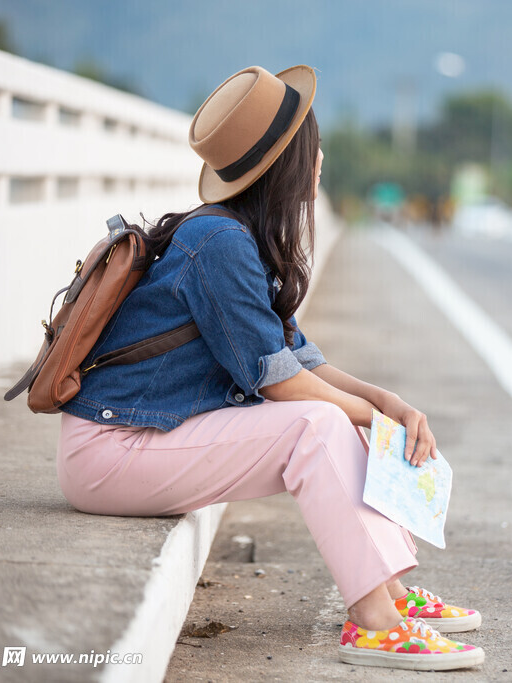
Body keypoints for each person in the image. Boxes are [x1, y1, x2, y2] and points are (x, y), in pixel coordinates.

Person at [55, 65, 484, 671]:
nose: (322, 157)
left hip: (143, 439)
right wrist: (378, 419)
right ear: (287, 164)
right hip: (110, 451)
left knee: (340, 417)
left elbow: (301, 359)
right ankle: (375, 623)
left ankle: (386, 591)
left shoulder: (238, 236)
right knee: (319, 426)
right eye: (312, 147)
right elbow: (278, 382)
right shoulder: (220, 243)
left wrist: (387, 403)